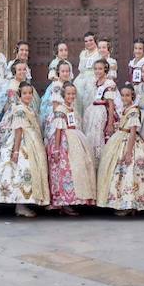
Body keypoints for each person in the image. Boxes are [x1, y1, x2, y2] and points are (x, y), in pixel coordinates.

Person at [0, 82, 50, 217]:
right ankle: (20, 205)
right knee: (21, 170)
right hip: (23, 142)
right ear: (20, 95)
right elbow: (18, 130)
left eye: (30, 93)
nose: (28, 95)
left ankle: (24, 204)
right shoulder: (19, 109)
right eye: (25, 93)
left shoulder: (29, 108)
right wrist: (16, 150)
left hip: (32, 140)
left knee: (29, 171)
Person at [97, 83, 144, 214]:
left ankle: (130, 205)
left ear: (132, 96)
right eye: (122, 95)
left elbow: (133, 132)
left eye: (127, 95)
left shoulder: (133, 110)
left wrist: (129, 152)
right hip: (120, 137)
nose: (124, 98)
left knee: (129, 172)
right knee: (119, 173)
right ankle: (124, 204)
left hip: (129, 141)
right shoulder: (126, 108)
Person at [46, 83, 97, 213]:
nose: (71, 96)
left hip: (74, 138)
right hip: (63, 142)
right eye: (68, 94)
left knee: (75, 169)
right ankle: (63, 202)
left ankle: (70, 200)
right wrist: (57, 149)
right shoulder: (60, 109)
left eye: (73, 93)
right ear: (64, 95)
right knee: (64, 170)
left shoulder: (71, 108)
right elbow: (58, 129)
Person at [82, 59, 120, 157]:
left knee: (102, 136)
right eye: (95, 69)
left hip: (104, 113)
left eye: (100, 69)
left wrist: (110, 123)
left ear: (105, 70)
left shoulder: (109, 83)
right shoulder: (95, 82)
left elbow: (111, 104)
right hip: (94, 113)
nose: (97, 71)